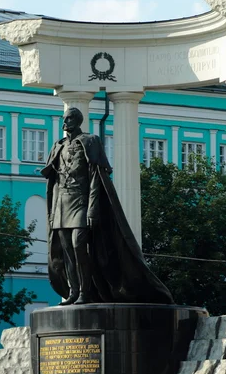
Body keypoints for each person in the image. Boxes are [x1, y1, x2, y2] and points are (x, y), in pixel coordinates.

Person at [41, 107, 174, 306]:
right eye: (64, 119)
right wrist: (51, 212)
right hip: (61, 203)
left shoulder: (90, 141)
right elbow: (53, 182)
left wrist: (93, 208)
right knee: (66, 249)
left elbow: (96, 177)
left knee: (78, 245)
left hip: (81, 201)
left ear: (77, 121)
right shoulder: (58, 146)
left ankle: (85, 292)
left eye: (69, 119)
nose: (65, 122)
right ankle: (74, 292)